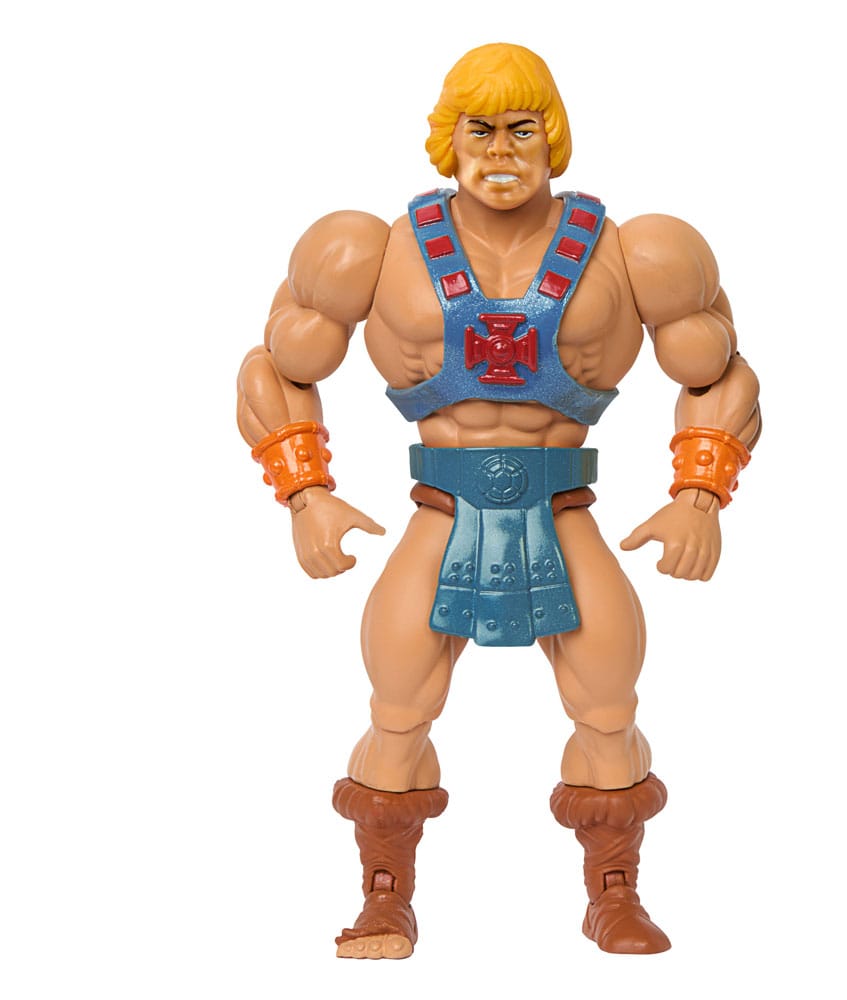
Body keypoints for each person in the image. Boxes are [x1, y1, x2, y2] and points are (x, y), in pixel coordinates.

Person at [237, 42, 761, 959]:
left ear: (554, 136)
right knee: (399, 706)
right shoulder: (370, 250)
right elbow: (276, 366)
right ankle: (384, 894)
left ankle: (614, 891)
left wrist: (700, 495)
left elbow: (719, 372)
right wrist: (306, 493)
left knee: (608, 706)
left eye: (523, 129)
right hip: (441, 510)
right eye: (480, 129)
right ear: (448, 139)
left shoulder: (638, 251)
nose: (502, 151)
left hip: (564, 509)